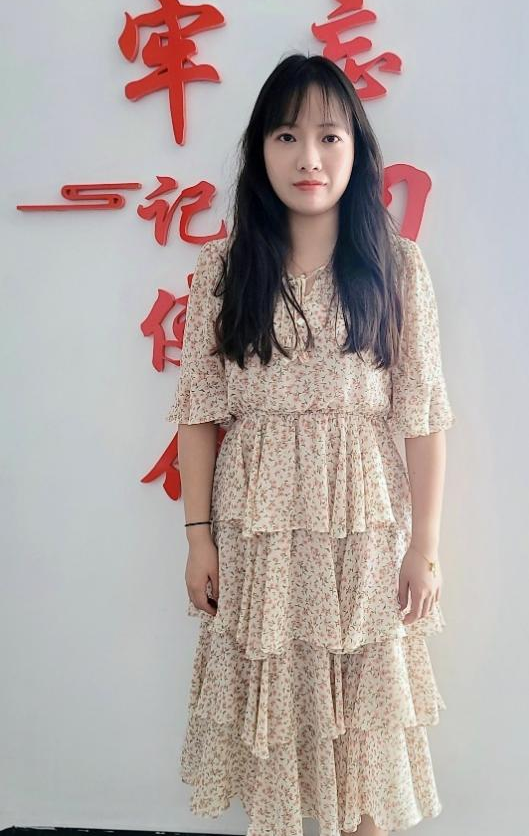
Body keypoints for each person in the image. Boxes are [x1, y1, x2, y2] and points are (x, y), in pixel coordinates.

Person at [166, 53, 456, 836]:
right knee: (279, 724)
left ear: (355, 148)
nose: (309, 157)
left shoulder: (395, 267)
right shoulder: (223, 269)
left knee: (364, 730)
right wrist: (198, 539)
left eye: (329, 136)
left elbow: (422, 415)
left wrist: (424, 548)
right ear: (260, 149)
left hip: (363, 535)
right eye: (286, 136)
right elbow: (199, 414)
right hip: (259, 537)